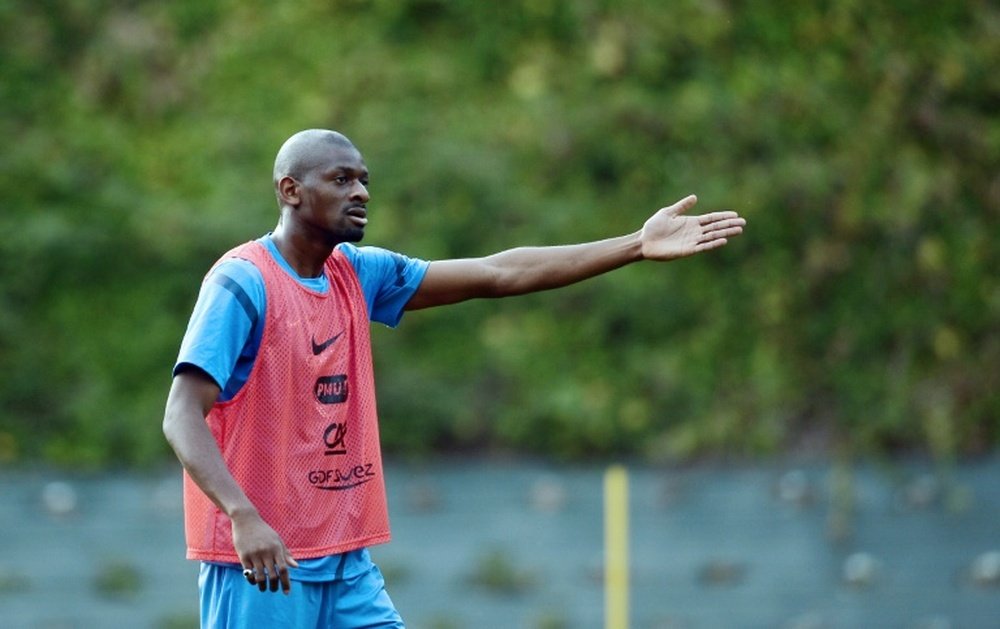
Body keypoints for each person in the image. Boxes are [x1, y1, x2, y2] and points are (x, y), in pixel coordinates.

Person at [162, 128, 746, 628]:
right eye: (341, 179)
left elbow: (498, 273)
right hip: (265, 563)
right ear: (290, 190)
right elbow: (181, 414)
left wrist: (635, 246)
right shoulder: (243, 283)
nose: (361, 191)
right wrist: (243, 516)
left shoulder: (357, 273)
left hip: (345, 559)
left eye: (364, 179)